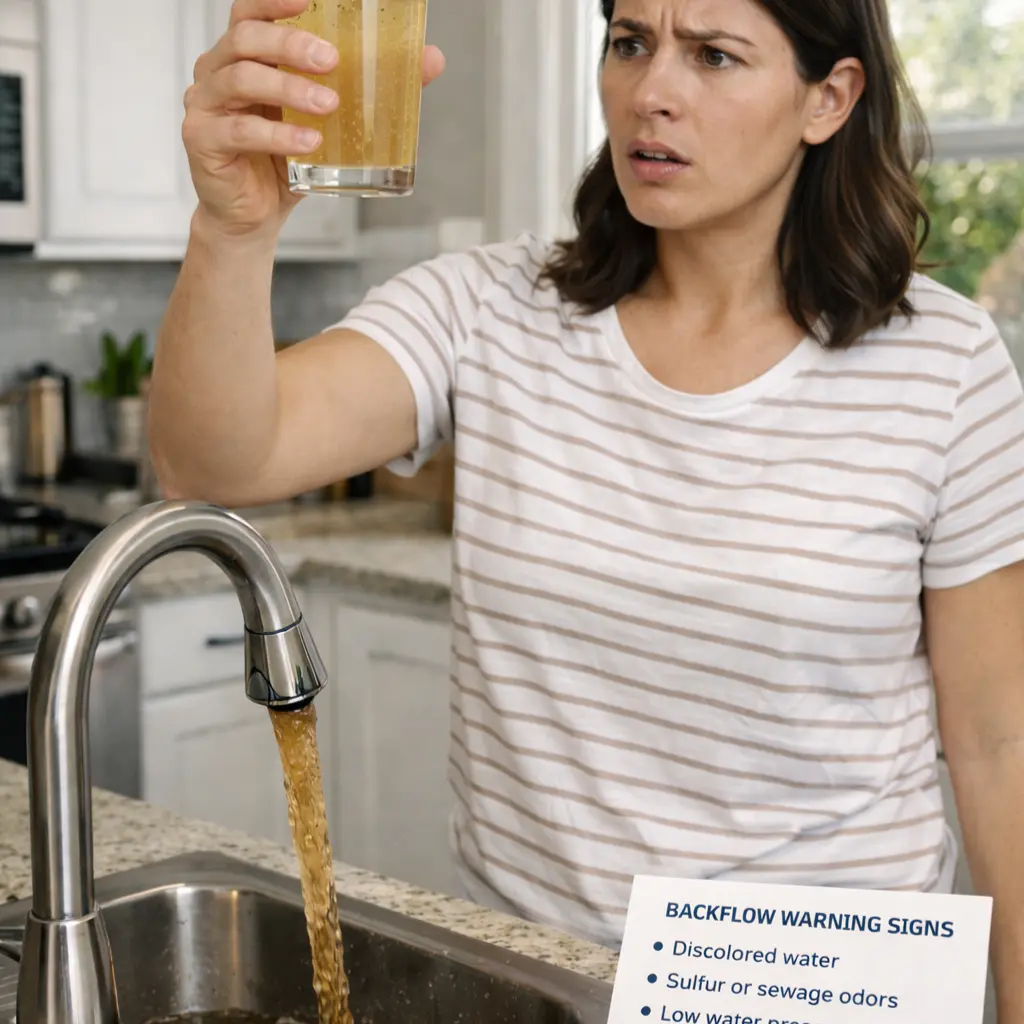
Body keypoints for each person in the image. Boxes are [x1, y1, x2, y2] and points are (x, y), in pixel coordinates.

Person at [152, 0, 1024, 1015]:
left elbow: (995, 737)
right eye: (629, 43)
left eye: (713, 54)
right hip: (539, 986)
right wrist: (231, 228)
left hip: (829, 993)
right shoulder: (488, 310)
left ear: (828, 98)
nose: (652, 92)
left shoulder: (943, 363)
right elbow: (214, 457)